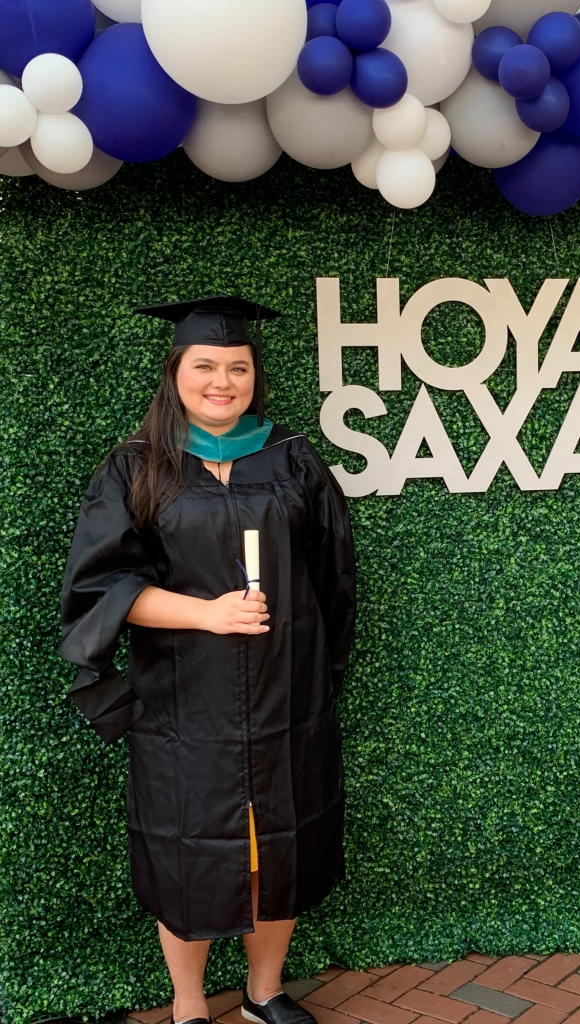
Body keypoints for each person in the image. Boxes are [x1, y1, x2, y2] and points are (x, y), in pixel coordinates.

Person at [60, 297, 356, 1024]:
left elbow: (334, 575)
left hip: (285, 692)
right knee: (186, 852)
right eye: (205, 366)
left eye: (238, 367)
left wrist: (315, 666)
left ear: (255, 375)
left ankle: (263, 993)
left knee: (278, 849)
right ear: (175, 373)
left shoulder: (291, 458)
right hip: (183, 701)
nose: (222, 381)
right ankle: (189, 1006)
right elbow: (101, 587)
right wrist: (207, 614)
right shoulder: (135, 467)